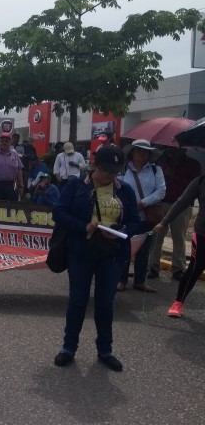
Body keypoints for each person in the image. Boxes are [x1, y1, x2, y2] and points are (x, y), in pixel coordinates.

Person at [52, 145, 141, 372]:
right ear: (94, 166)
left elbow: (134, 221)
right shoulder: (75, 186)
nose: (110, 175)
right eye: (106, 170)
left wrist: (120, 230)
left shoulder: (125, 191)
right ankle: (69, 348)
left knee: (105, 303)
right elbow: (59, 213)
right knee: (78, 300)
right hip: (80, 251)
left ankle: (105, 350)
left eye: (115, 171)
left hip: (111, 254)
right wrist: (85, 226)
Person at [117, 139, 165, 293]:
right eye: (138, 150)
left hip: (147, 216)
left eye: (145, 151)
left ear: (149, 154)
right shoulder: (123, 169)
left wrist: (142, 203)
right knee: (124, 248)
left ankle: (139, 281)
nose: (142, 153)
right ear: (132, 152)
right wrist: (131, 205)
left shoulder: (156, 170)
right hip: (127, 216)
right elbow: (118, 189)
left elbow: (161, 191)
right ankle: (121, 279)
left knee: (144, 250)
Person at [154, 174, 205, 318]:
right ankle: (178, 302)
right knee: (194, 269)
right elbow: (182, 202)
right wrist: (164, 222)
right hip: (202, 235)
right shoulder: (200, 181)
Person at [149, 147, 201, 280]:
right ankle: (153, 267)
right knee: (157, 237)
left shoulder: (193, 164)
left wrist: (173, 175)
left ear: (185, 149)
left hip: (182, 207)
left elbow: (195, 186)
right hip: (162, 204)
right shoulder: (161, 162)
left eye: (179, 149)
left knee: (179, 238)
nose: (176, 151)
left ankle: (178, 268)